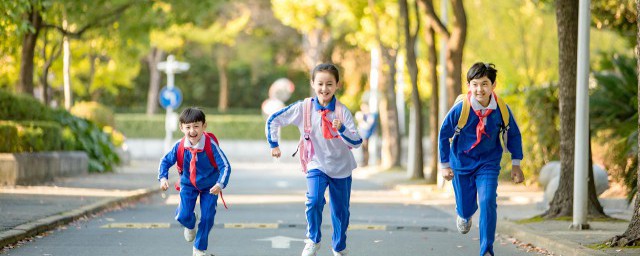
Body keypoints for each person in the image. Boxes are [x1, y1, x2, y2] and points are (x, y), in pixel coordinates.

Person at [265, 63, 362, 256]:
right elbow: (274, 119)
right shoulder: (304, 108)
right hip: (316, 164)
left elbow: (357, 141)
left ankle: (339, 246)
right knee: (314, 200)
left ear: (337, 86)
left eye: (329, 84)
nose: (324, 89)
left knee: (341, 212)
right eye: (320, 84)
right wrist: (274, 144)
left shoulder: (342, 112)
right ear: (313, 84)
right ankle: (313, 239)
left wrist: (342, 129)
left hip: (341, 167)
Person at [438, 62, 524, 256]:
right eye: (475, 84)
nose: (480, 89)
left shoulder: (501, 109)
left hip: (488, 163)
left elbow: (514, 135)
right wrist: (445, 165)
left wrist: (516, 164)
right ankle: (464, 213)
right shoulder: (461, 109)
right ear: (469, 86)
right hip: (461, 162)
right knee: (466, 207)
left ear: (493, 85)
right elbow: (444, 134)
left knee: (487, 200)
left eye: (484, 84)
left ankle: (486, 249)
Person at [158, 107, 231, 256]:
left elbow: (225, 166)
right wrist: (163, 178)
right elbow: (165, 161)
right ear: (181, 128)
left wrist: (220, 184)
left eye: (196, 126)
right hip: (188, 185)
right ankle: (190, 224)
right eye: (188, 127)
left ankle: (199, 248)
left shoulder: (211, 145)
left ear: (204, 126)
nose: (192, 131)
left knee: (208, 217)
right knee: (183, 216)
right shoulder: (179, 146)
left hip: (210, 186)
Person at [354, 101, 378, 166]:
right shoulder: (362, 115)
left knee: (366, 149)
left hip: (367, 135)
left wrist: (361, 120)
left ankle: (366, 163)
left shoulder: (371, 116)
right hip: (362, 135)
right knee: (363, 149)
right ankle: (364, 162)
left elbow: (368, 126)